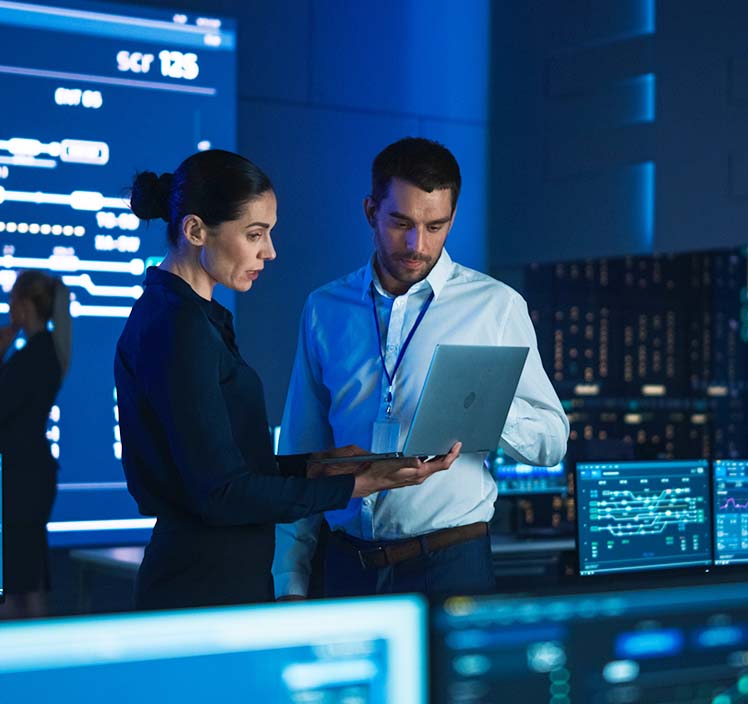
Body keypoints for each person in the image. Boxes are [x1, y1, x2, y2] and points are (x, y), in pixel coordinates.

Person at [116, 149, 458, 610]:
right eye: (255, 234)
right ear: (195, 230)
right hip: (201, 589)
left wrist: (319, 465)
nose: (269, 251)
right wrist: (357, 486)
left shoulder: (192, 317)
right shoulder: (176, 326)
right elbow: (221, 492)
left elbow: (225, 467)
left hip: (217, 579)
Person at [273, 137, 568, 600]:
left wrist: (485, 407)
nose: (417, 244)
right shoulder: (324, 308)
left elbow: (552, 442)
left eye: (436, 226)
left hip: (453, 561)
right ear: (370, 211)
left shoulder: (496, 306)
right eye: (401, 223)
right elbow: (302, 447)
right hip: (346, 566)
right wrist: (288, 580)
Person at [0, 272, 70, 619]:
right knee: (26, 575)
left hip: (20, 477)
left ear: (25, 304)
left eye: (12, 300)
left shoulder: (34, 355)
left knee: (17, 581)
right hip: (28, 474)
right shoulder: (46, 352)